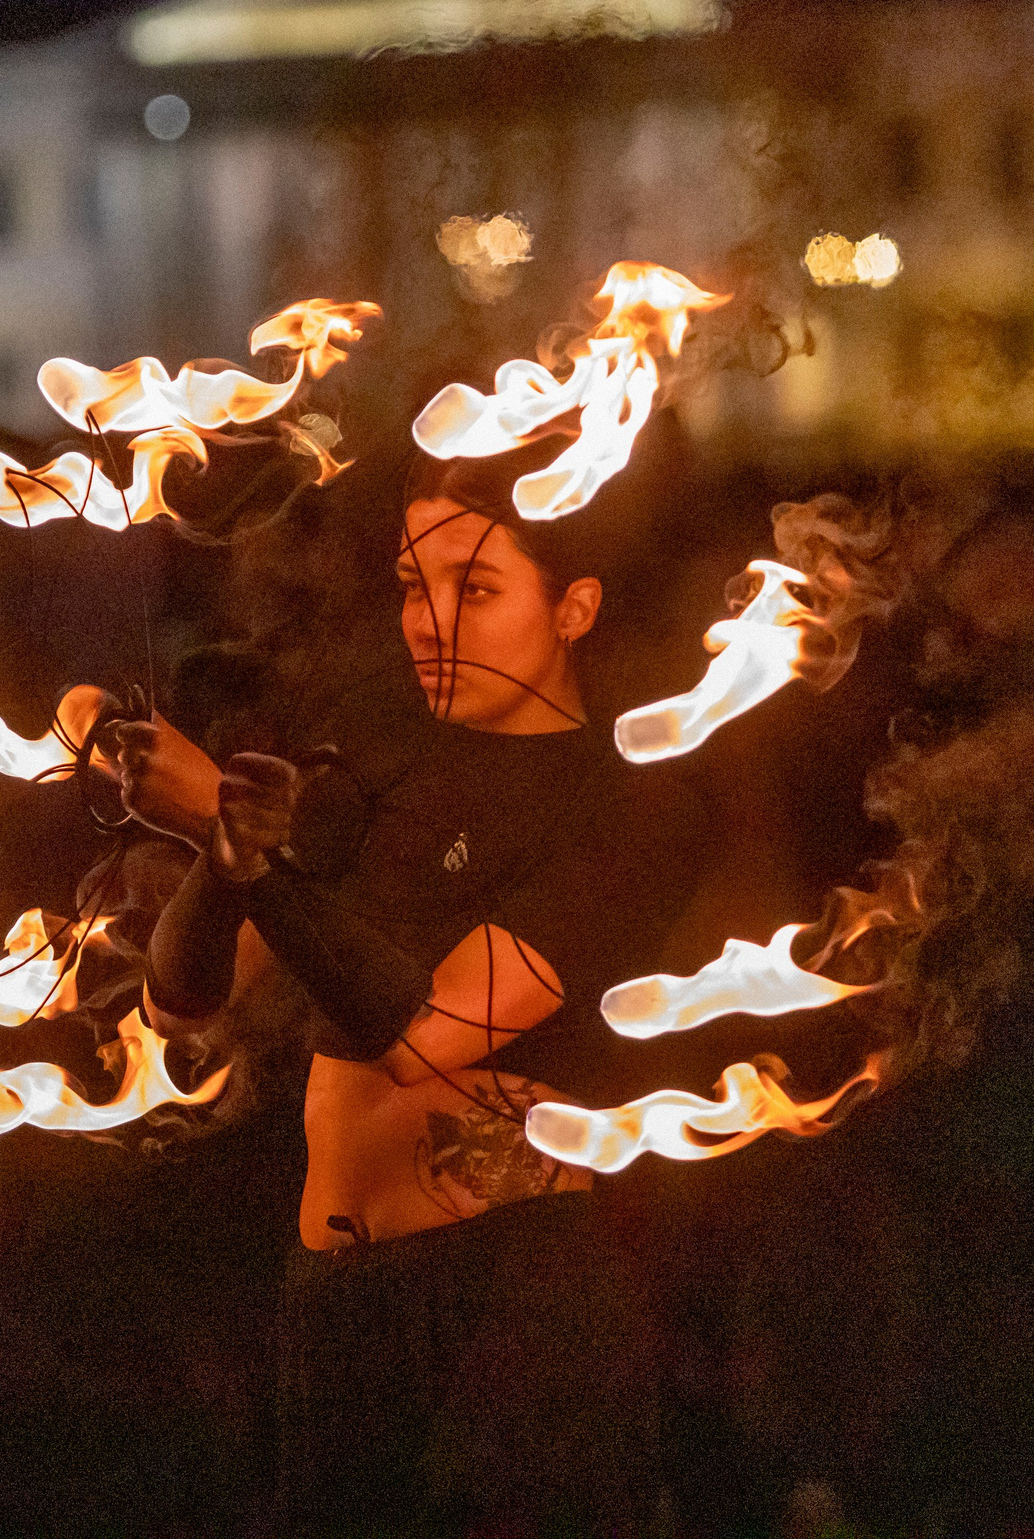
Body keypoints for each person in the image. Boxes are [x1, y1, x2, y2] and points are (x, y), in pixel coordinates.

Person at [103, 450, 705, 1535]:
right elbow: (189, 1007)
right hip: (335, 1300)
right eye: (411, 587)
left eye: (474, 590)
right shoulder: (370, 754)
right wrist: (221, 858)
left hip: (518, 1300)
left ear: (572, 608)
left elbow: (426, 1036)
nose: (429, 620)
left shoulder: (627, 809)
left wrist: (218, 827)